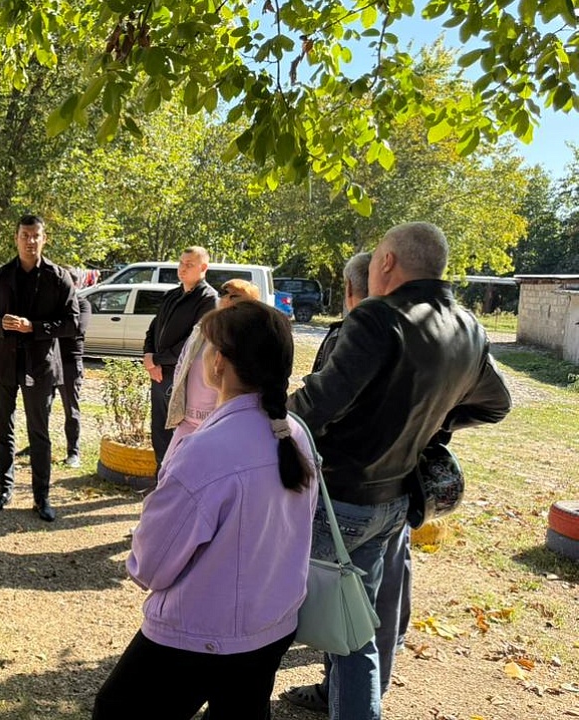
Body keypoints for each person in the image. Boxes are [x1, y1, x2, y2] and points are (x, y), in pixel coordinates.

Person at [288, 223, 511, 720]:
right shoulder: (470, 327)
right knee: (357, 632)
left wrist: (257, 421)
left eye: (375, 263)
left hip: (339, 501)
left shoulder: (376, 317)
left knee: (287, 620)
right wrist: (432, 423)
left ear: (386, 262)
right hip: (394, 504)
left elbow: (316, 405)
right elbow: (497, 404)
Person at [93, 301, 317, 720]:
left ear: (219, 364)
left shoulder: (206, 451)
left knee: (116, 709)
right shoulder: (295, 434)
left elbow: (150, 565)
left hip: (199, 633)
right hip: (272, 624)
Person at [285, 252, 415, 714]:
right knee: (373, 610)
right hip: (397, 493)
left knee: (336, 619)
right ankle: (353, 692)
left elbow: (318, 410)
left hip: (349, 497)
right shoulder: (417, 336)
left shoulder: (352, 334)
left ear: (348, 290)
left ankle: (353, 696)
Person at [0, 214, 79, 521]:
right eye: (24, 235)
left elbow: (72, 323)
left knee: (39, 433)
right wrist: (1, 325)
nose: (30, 241)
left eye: (35, 235)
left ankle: (41, 498)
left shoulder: (59, 278)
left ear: (43, 239)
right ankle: (4, 490)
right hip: (2, 363)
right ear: (16, 238)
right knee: (2, 431)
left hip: (40, 365)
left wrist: (34, 327)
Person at [162, 278, 261, 461]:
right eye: (223, 292)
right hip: (188, 421)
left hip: (221, 425)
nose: (227, 299)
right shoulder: (202, 329)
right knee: (167, 472)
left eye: (235, 296)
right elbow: (182, 364)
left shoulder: (249, 340)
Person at [142, 247, 218, 475]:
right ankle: (160, 480)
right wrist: (149, 357)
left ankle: (177, 482)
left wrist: (158, 359)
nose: (182, 269)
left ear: (203, 268)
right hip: (159, 373)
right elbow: (154, 329)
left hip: (183, 376)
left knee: (180, 433)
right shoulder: (172, 295)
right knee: (159, 429)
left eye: (189, 265)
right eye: (181, 263)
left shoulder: (209, 300)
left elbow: (193, 343)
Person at [59, 267, 92, 467]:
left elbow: (76, 328)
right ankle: (35, 446)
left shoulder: (83, 304)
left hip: (70, 363)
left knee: (71, 410)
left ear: (77, 284)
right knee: (41, 409)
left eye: (69, 282)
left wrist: (50, 327)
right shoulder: (52, 304)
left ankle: (74, 452)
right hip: (49, 362)